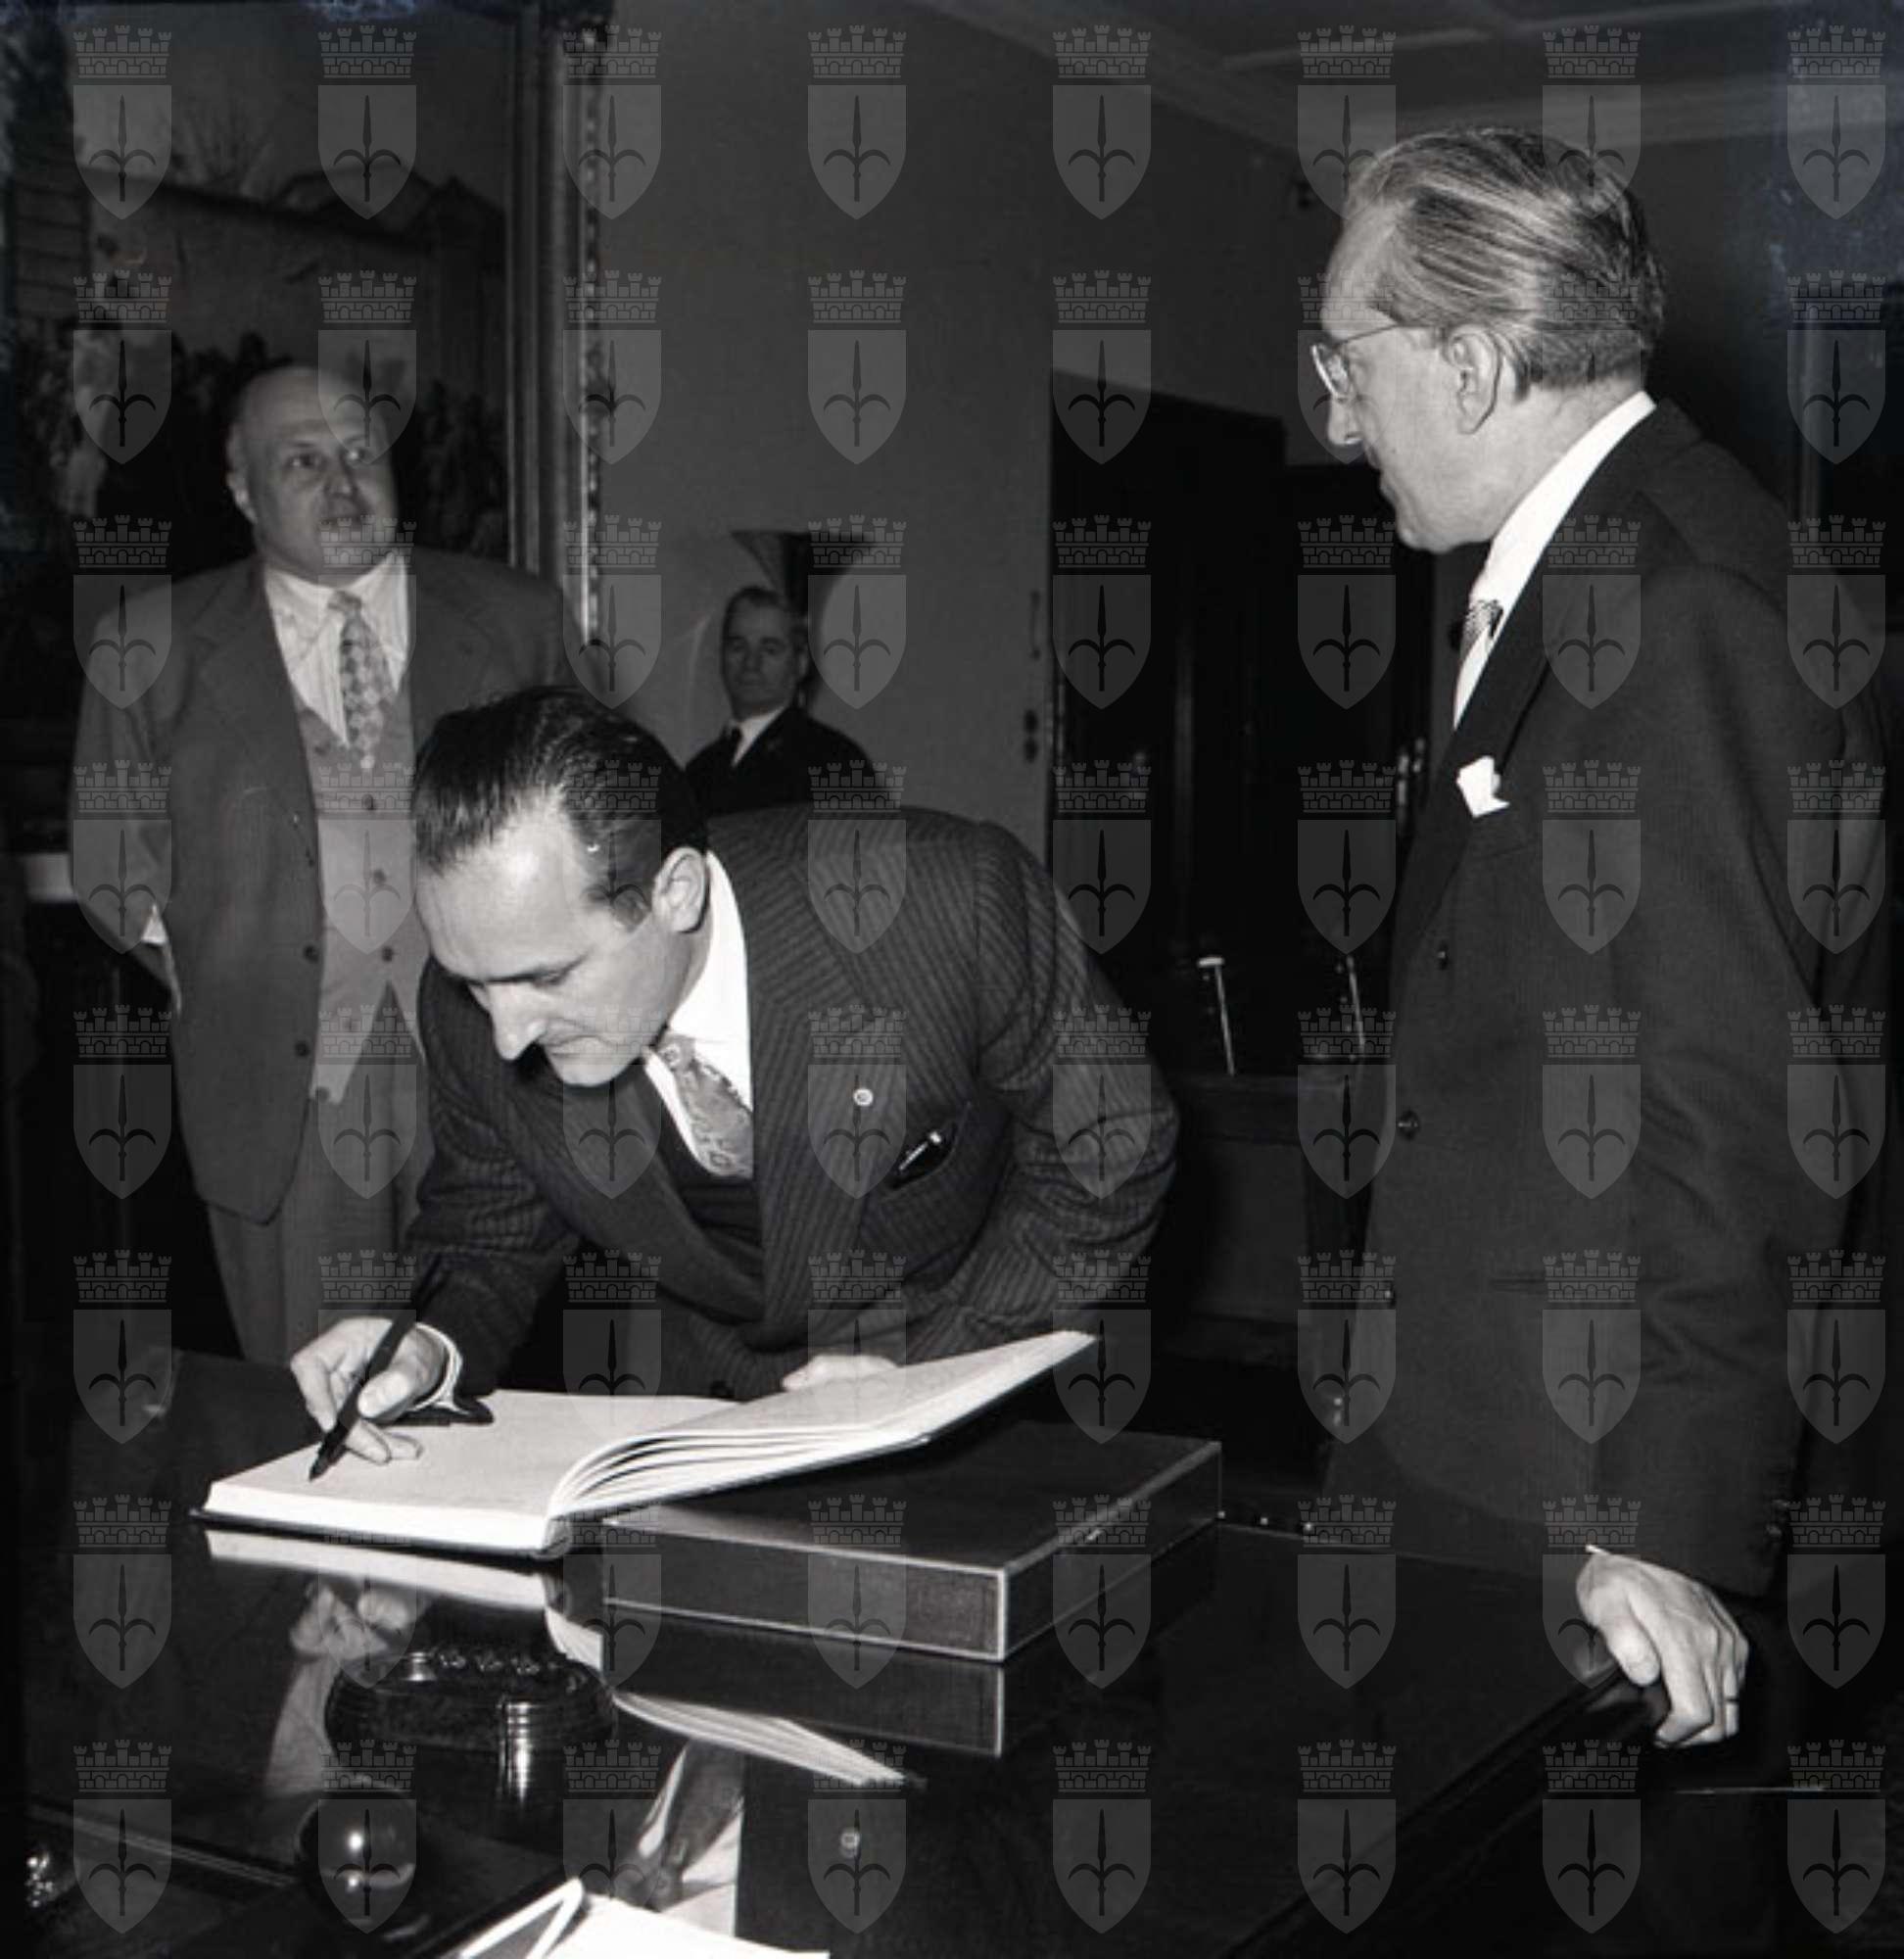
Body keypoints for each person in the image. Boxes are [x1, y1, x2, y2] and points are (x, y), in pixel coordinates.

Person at [1310, 130, 1890, 1746]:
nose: (1335, 417)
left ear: (1469, 364)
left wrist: (1665, 1535)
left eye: (1345, 363)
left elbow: (1727, 1107)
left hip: (1580, 1504)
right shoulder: (1600, 556)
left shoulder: (1682, 608)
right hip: (1485, 1428)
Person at [291, 687, 1174, 1440]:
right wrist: (427, 1346)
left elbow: (1113, 1146)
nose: (508, 1037)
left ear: (676, 891)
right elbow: (488, 1236)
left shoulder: (953, 905)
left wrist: (940, 1366)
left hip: (973, 1401)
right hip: (687, 1428)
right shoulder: (470, 1006)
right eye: (474, 983)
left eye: (549, 977)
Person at [71, 364, 571, 1362]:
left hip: (493, 1076)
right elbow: (114, 866)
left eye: (360, 453)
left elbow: (595, 820)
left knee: (482, 1383)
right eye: (302, 462)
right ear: (244, 491)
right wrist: (223, 976)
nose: (343, 484)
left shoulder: (516, 619)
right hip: (283, 1102)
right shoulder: (149, 647)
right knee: (310, 1395)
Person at [685, 587, 872, 814]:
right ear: (721, 657)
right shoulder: (698, 772)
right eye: (738, 647)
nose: (751, 663)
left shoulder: (836, 762)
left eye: (770, 650)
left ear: (801, 663)